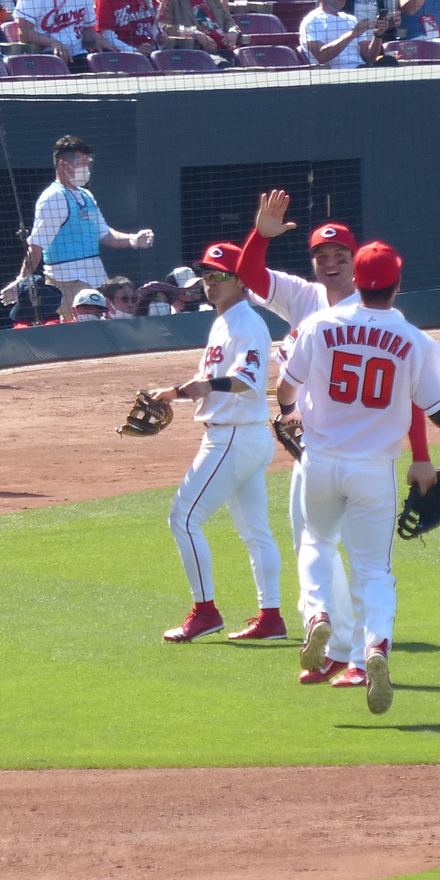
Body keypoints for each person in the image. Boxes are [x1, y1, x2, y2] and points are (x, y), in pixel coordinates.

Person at [277, 239, 440, 715]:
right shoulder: (416, 340)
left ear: (356, 281)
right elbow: (436, 406)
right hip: (374, 471)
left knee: (316, 544)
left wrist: (288, 409)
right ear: (398, 285)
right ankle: (374, 645)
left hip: (320, 462)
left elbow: (286, 387)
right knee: (373, 569)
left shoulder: (319, 324)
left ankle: (317, 614)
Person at [145, 240, 284, 644]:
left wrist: (198, 386)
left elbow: (247, 381)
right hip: (243, 435)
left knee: (184, 518)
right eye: (206, 275)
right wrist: (174, 392)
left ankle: (205, 613)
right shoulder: (222, 320)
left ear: (242, 281)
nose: (211, 283)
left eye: (220, 275)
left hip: (234, 438)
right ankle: (271, 619)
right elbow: (210, 385)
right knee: (255, 532)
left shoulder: (246, 324)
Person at [12, 134, 154, 314]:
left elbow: (106, 235)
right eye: (81, 162)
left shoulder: (86, 195)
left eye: (88, 161)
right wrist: (22, 282)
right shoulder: (53, 198)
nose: (86, 167)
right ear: (63, 165)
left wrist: (134, 240)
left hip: (96, 279)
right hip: (67, 282)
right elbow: (37, 246)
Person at [301, 0, 383, 67]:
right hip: (333, 77)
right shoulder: (312, 20)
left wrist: (378, 34)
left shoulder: (351, 19)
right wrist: (351, 34)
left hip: (360, 72)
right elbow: (321, 57)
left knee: (389, 61)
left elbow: (369, 57)